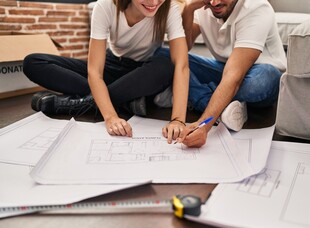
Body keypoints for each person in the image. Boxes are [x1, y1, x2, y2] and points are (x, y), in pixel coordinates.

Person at [23, 0, 189, 141]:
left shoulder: (169, 8)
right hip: (111, 67)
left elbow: (181, 65)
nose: (153, 3)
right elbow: (95, 72)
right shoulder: (105, 6)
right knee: (33, 62)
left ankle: (81, 103)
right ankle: (122, 101)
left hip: (140, 76)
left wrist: (178, 120)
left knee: (166, 66)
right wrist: (110, 117)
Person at [170, 0, 287, 147]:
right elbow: (183, 49)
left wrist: (203, 124)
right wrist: (189, 9)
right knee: (166, 57)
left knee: (259, 82)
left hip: (260, 73)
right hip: (224, 69)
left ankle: (201, 98)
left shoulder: (257, 7)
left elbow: (234, 76)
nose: (214, 2)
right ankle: (223, 106)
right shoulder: (203, 6)